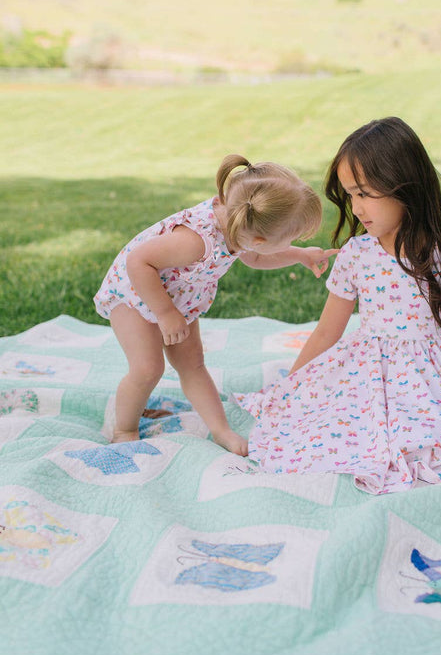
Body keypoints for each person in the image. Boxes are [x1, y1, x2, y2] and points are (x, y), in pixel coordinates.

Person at [234, 118, 441, 493]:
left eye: (364, 194)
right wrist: (289, 391)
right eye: (350, 195)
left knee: (426, 447)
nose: (355, 207)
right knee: (328, 436)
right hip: (365, 377)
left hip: (428, 385)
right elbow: (326, 333)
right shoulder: (357, 254)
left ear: (404, 187)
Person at [94, 155, 336, 454]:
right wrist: (165, 313)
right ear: (260, 238)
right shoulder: (194, 242)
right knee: (148, 368)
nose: (294, 242)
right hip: (135, 292)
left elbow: (255, 257)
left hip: (177, 296)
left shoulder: (239, 225)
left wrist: (300, 255)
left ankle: (221, 431)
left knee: (193, 364)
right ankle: (124, 428)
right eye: (293, 238)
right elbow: (138, 261)